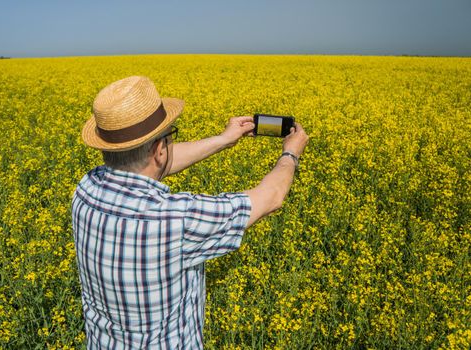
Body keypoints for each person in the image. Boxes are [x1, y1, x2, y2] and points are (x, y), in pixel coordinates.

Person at [72, 76, 309, 349]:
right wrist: (290, 154)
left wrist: (223, 140)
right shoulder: (175, 219)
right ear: (160, 149)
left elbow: (148, 164)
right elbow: (271, 198)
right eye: (170, 139)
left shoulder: (86, 187)